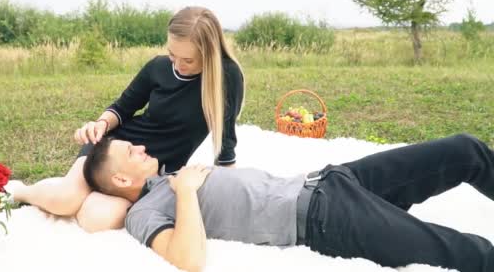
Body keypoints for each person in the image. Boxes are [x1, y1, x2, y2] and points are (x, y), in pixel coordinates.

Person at [83, 134, 494, 272]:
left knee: (466, 150)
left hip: (332, 178)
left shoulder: (164, 175)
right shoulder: (144, 212)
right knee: (464, 251)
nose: (140, 146)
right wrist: (186, 191)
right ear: (120, 179)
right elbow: (187, 259)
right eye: (130, 152)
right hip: (323, 218)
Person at [6, 6, 245, 232]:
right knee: (66, 200)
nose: (179, 65)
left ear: (210, 54)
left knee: (97, 219)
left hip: (151, 171)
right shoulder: (157, 68)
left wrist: (232, 189)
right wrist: (101, 125)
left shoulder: (227, 77)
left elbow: (226, 141)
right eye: (173, 55)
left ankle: (81, 192)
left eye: (188, 60)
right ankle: (21, 191)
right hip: (117, 149)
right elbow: (122, 109)